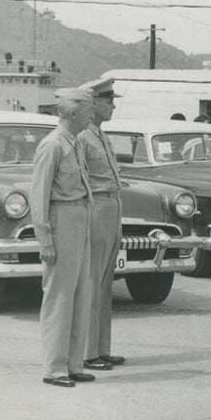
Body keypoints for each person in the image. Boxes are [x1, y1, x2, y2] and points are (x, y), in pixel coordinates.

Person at [30, 89, 96, 388]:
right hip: (61, 220)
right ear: (72, 113)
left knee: (81, 294)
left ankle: (73, 363)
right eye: (88, 111)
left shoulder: (77, 143)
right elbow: (39, 196)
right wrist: (45, 239)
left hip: (80, 217)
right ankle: (54, 368)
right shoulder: (53, 145)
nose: (91, 117)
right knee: (59, 296)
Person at [78, 78, 128, 372]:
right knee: (92, 281)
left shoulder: (101, 135)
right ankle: (86, 352)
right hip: (97, 207)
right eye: (108, 100)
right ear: (93, 103)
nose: (112, 105)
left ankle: (101, 348)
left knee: (105, 283)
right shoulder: (84, 137)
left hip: (113, 206)